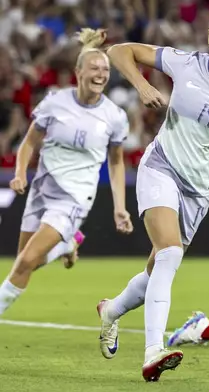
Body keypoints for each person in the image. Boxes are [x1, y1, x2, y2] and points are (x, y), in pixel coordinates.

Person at [96, 9, 209, 382]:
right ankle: (153, 352)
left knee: (156, 271)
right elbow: (119, 51)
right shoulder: (184, 63)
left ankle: (111, 310)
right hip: (161, 167)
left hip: (199, 190)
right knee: (169, 254)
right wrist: (142, 85)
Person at [0, 28, 133, 318]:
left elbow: (116, 162)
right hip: (40, 189)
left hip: (73, 197)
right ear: (78, 71)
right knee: (25, 261)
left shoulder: (114, 117)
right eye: (94, 68)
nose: (100, 74)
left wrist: (120, 208)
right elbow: (30, 141)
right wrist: (21, 173)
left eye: (105, 69)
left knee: (24, 264)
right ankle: (65, 246)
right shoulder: (54, 102)